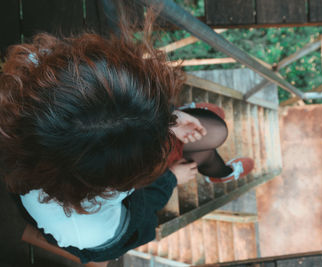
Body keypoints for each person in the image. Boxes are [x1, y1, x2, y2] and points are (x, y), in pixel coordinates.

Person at [0, 5, 254, 263]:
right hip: (104, 222)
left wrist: (168, 117)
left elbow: (99, 115)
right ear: (126, 179)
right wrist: (169, 180)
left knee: (214, 132)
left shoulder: (43, 73)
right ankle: (217, 171)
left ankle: (215, 170)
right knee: (211, 136)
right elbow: (135, 220)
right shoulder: (89, 229)